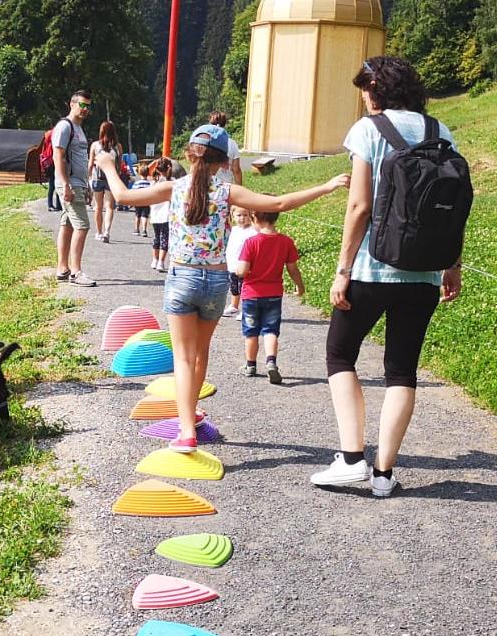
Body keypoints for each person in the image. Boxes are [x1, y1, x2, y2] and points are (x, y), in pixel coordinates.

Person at [98, 125, 347, 453]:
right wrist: (326, 187)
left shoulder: (173, 187)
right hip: (216, 282)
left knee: (183, 358)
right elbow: (279, 202)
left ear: (188, 155)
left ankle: (187, 431)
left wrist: (107, 166)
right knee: (200, 353)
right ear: (224, 161)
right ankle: (191, 413)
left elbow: (122, 196)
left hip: (182, 278)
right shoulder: (228, 192)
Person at [310, 56, 464, 497]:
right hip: (424, 271)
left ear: (376, 90)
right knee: (401, 370)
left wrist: (342, 269)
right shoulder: (440, 131)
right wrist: (452, 264)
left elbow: (359, 206)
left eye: (365, 88)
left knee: (340, 355)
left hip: (371, 267)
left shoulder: (367, 130)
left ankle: (351, 459)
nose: (363, 96)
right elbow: (452, 207)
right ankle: (383, 475)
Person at [233, 210, 303, 384]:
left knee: (251, 331)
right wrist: (300, 285)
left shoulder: (251, 242)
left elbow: (242, 271)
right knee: (270, 330)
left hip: (251, 294)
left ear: (255, 218)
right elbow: (292, 269)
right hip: (274, 294)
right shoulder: (286, 241)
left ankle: (250, 365)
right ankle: (271, 362)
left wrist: (237, 270)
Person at [52, 90, 96, 287]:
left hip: (79, 183)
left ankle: (62, 269)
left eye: (88, 106)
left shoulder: (78, 128)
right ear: (72, 104)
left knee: (68, 224)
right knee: (83, 225)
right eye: (82, 105)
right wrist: (65, 184)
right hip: (70, 184)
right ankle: (76, 272)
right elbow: (58, 156)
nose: (85, 109)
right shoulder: (65, 126)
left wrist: (87, 185)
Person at [87, 121, 122, 243]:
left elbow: (90, 164)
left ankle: (99, 232)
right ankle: (107, 231)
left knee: (98, 207)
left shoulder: (95, 145)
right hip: (111, 179)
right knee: (109, 207)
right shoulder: (117, 147)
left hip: (97, 178)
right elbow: (119, 165)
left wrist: (88, 177)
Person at [222, 207, 256, 318]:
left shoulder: (253, 231)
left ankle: (246, 309)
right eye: (239, 215)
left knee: (243, 288)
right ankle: (234, 306)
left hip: (244, 265)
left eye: (245, 215)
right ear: (233, 216)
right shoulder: (234, 230)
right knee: (234, 287)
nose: (242, 218)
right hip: (232, 264)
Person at [143, 157, 175, 271]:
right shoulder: (173, 181)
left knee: (156, 237)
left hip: (155, 214)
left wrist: (154, 163)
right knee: (164, 238)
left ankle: (155, 260)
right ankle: (161, 262)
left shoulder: (154, 182)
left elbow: (146, 169)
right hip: (167, 214)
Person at [207, 111, 244, 186]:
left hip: (208, 184)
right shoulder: (232, 143)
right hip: (226, 186)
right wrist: (239, 188)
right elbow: (236, 170)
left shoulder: (206, 141)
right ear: (224, 124)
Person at [131, 162, 152, 238]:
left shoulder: (137, 183)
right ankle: (144, 230)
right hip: (146, 202)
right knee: (145, 216)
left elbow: (133, 192)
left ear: (139, 173)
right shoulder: (149, 184)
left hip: (138, 201)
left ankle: (136, 229)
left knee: (137, 215)